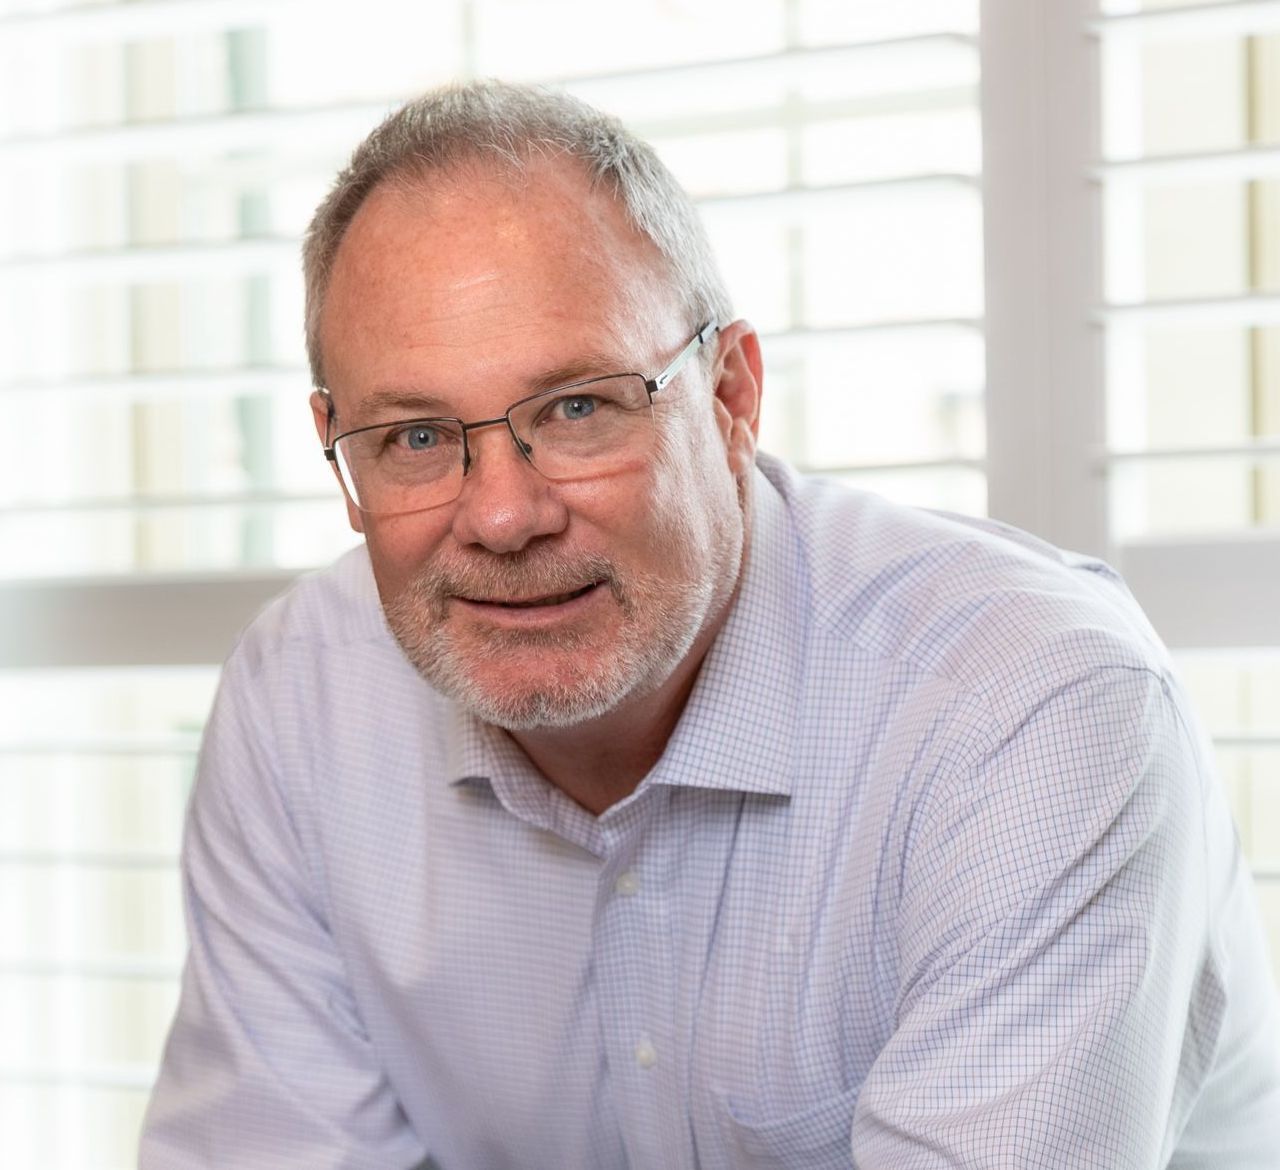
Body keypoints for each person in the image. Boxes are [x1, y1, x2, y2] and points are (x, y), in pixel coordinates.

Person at [140, 81, 1280, 1169]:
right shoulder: (299, 700)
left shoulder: (1025, 713)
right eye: (417, 438)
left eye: (578, 407)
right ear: (342, 460)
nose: (500, 515)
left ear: (731, 396)